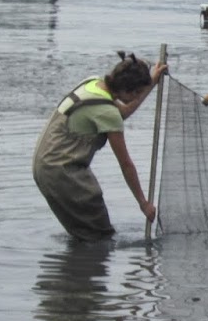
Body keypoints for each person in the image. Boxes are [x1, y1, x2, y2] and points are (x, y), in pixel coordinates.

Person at [32, 52, 168, 240]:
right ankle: (91, 266)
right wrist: (143, 203)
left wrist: (152, 82)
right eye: (136, 92)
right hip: (62, 172)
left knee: (84, 233)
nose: (136, 96)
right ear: (127, 89)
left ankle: (80, 264)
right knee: (100, 235)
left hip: (44, 165)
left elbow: (123, 111)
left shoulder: (93, 83)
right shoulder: (107, 112)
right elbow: (125, 163)